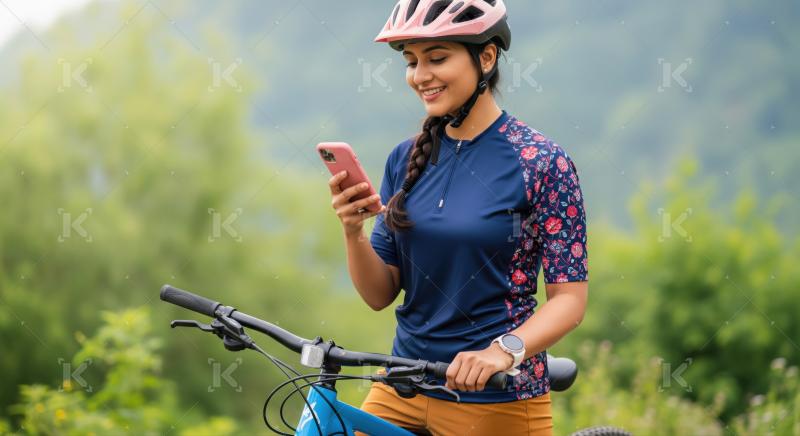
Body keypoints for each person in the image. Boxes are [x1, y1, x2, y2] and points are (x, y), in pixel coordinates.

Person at [328, 1, 589, 434]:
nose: (420, 76)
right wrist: (352, 230)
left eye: (437, 57)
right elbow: (379, 293)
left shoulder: (541, 161)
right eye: (412, 62)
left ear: (486, 57)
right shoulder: (405, 158)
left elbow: (569, 301)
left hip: (495, 393)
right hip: (402, 383)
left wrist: (502, 352)